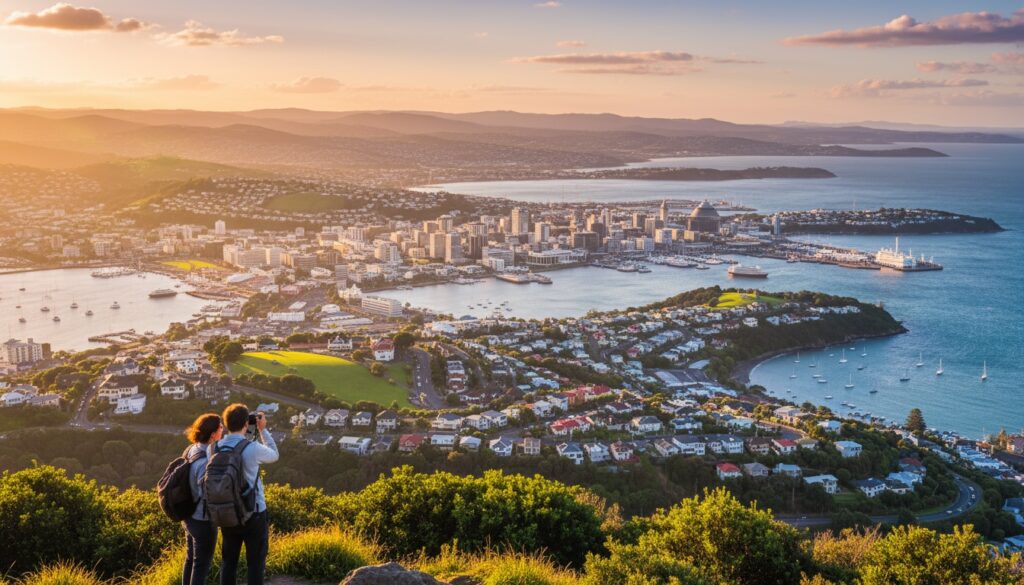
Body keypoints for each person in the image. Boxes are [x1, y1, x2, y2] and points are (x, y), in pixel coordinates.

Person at [215, 403, 279, 585]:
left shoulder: (215, 448)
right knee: (255, 564)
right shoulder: (252, 448)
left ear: (226, 423)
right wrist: (262, 430)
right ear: (246, 423)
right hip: (254, 512)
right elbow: (274, 454)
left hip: (226, 511)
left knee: (228, 562)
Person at [182, 413, 223, 585]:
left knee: (191, 559)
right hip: (203, 520)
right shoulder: (206, 462)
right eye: (221, 427)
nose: (223, 430)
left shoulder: (192, 449)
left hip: (188, 515)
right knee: (201, 566)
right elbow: (210, 494)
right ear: (213, 434)